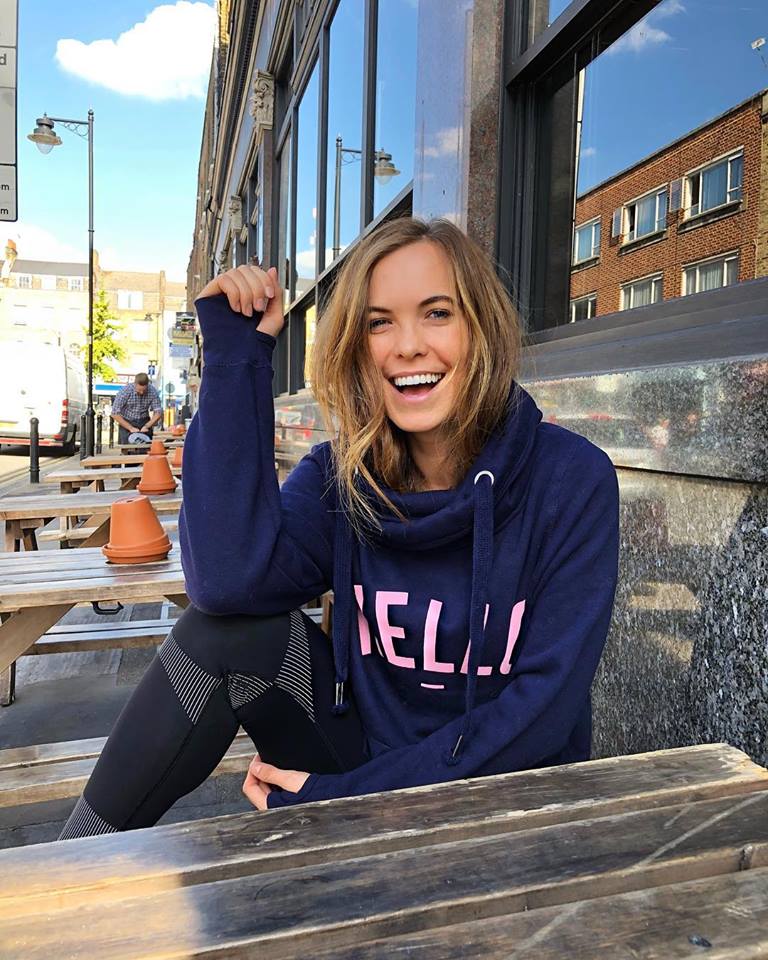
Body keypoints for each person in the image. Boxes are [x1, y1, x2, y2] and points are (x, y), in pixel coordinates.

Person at [58, 218, 619, 839]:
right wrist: (236, 356)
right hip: (362, 758)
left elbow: (544, 715)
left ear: (481, 328)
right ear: (356, 345)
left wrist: (347, 800)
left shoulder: (569, 480)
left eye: (437, 313)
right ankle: (67, 866)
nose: (408, 346)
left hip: (508, 800)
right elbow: (224, 584)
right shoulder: (343, 476)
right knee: (222, 633)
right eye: (380, 323)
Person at [110, 373, 163, 444]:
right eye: (139, 390)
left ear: (147, 385)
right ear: (135, 384)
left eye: (144, 390)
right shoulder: (125, 391)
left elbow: (158, 412)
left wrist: (147, 426)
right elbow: (114, 413)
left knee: (146, 446)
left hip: (144, 420)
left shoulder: (152, 391)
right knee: (127, 446)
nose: (141, 392)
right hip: (127, 421)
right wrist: (130, 428)